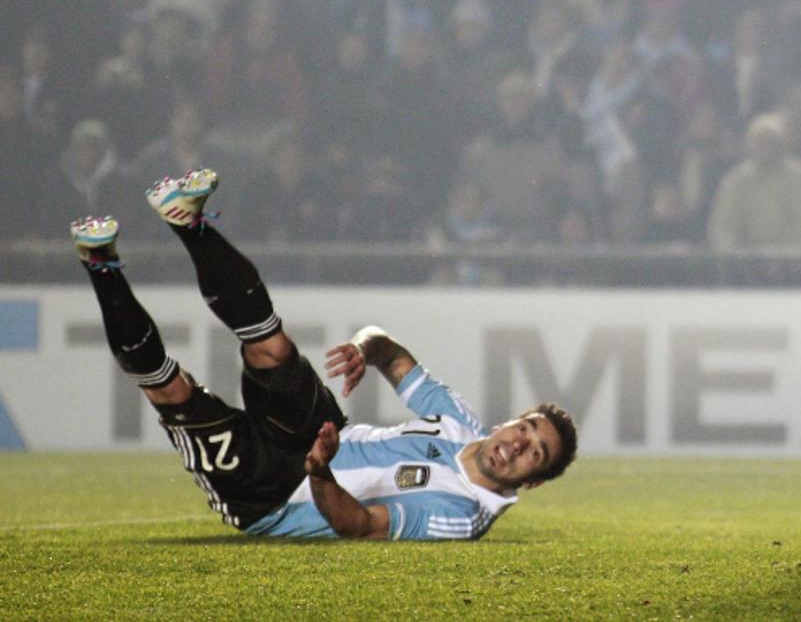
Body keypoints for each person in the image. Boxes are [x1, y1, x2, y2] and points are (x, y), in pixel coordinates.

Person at [70, 168, 577, 540]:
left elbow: (361, 525)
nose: (517, 443)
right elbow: (391, 353)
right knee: (272, 348)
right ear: (512, 421)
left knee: (172, 389)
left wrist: (318, 470)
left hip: (274, 493)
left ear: (530, 481)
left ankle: (100, 263)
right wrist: (363, 348)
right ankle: (187, 221)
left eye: (535, 452)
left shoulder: (461, 514)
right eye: (526, 429)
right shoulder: (459, 421)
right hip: (323, 430)